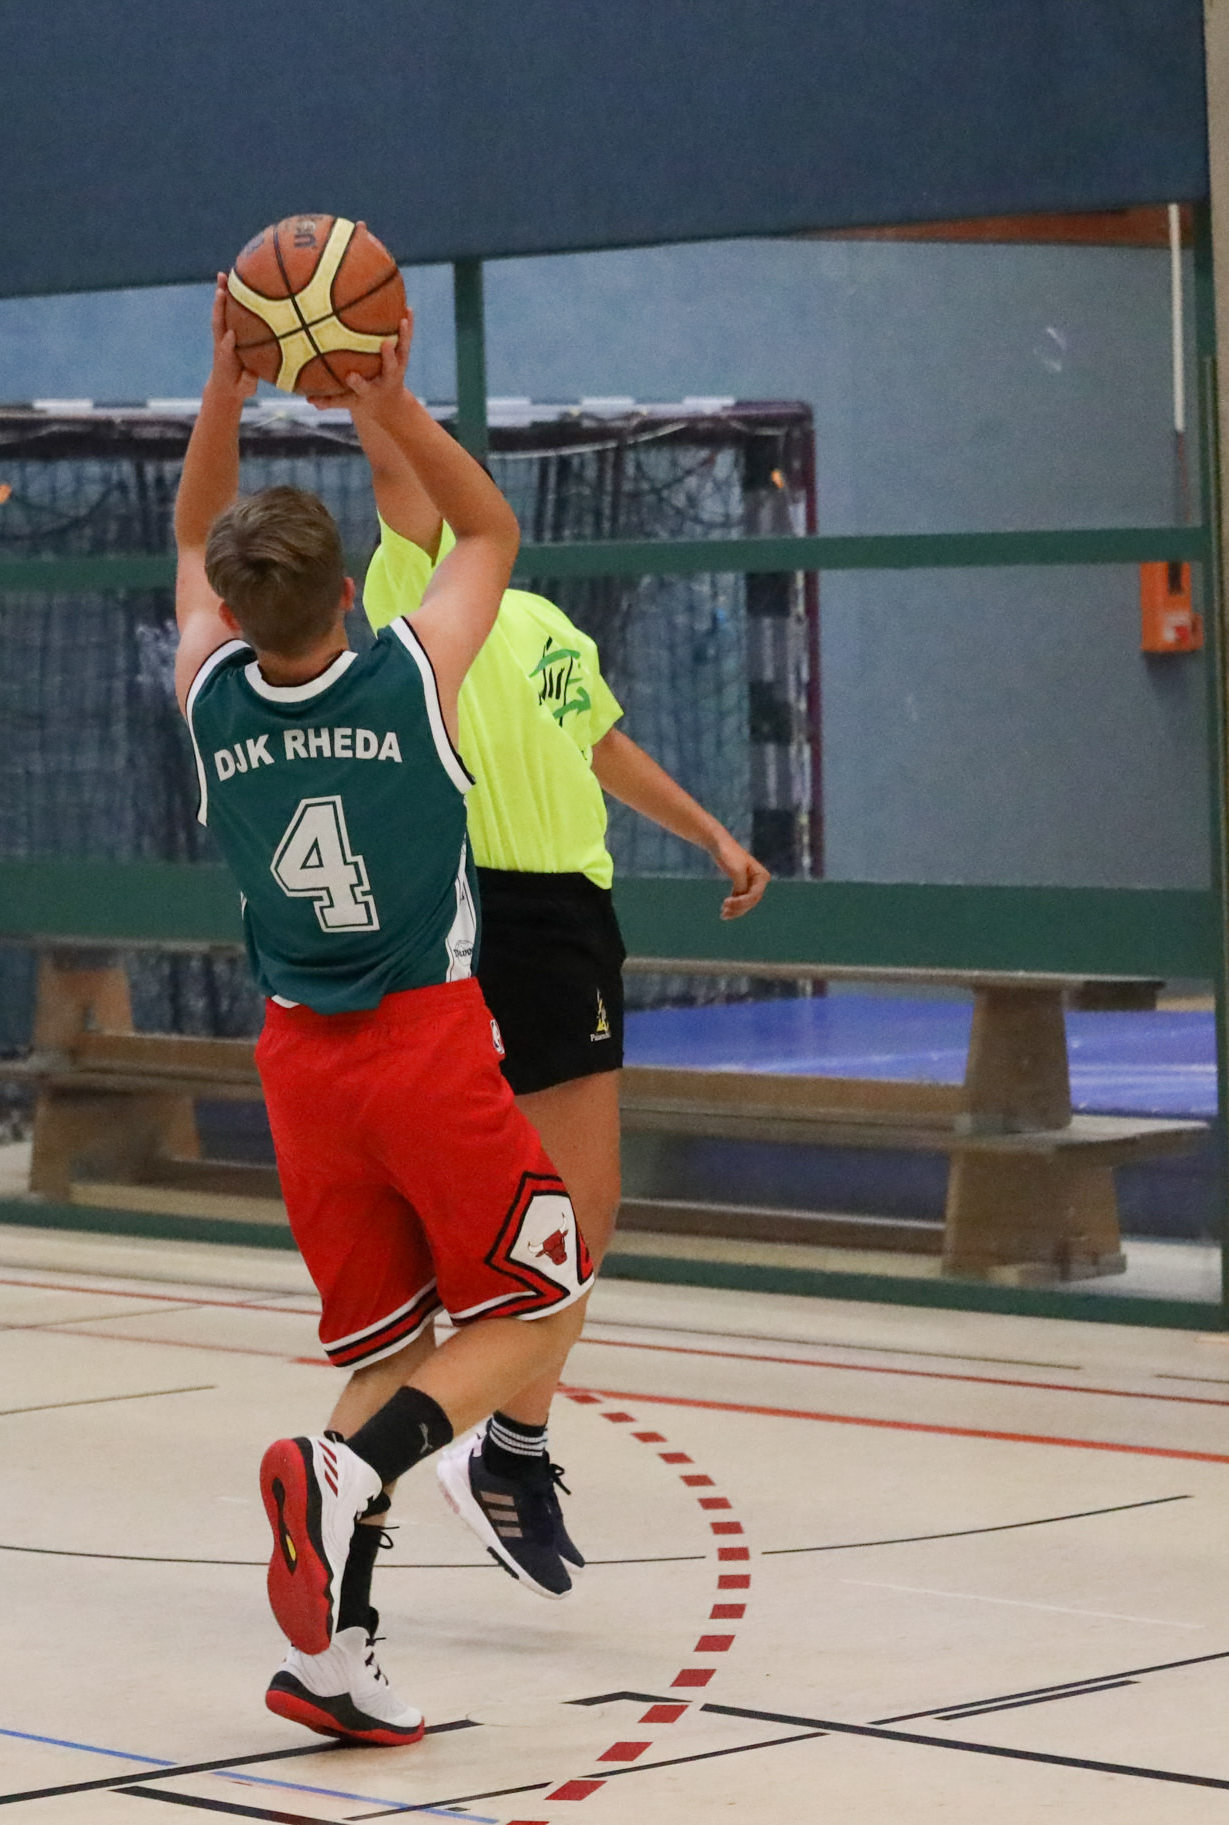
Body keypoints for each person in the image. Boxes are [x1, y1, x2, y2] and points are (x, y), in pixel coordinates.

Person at [173, 286, 592, 1745]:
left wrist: (224, 389)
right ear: (349, 591)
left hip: (299, 1064)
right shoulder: (413, 677)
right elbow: (488, 530)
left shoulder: (207, 695)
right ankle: (357, 1469)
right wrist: (381, 397)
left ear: (231, 611)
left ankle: (333, 1659)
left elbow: (191, 531)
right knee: (541, 1299)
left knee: (382, 1345)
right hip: (422, 1041)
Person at [352, 422, 770, 1599]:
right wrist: (375, 391)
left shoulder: (544, 627)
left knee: (585, 1210)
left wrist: (709, 832)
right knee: (529, 1219)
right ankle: (458, 1446)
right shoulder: (415, 603)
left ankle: (506, 1443)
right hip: (484, 906)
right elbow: (396, 476)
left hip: (574, 915)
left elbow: (600, 745)